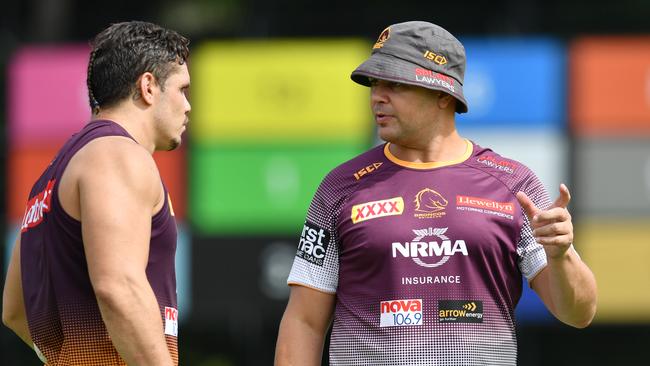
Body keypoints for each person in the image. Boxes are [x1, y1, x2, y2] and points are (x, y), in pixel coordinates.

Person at [275, 21, 597, 365]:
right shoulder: (340, 187)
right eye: (374, 83)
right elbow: (304, 322)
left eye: (395, 84)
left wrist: (561, 255)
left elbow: (578, 313)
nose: (377, 96)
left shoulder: (515, 186)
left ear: (443, 93)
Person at [2, 21, 190, 365]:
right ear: (148, 86)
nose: (188, 106)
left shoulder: (49, 176)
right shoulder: (118, 155)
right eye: (182, 90)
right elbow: (118, 287)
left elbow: (14, 311)